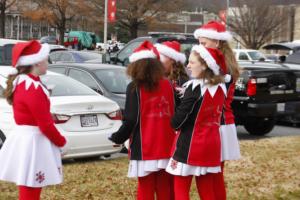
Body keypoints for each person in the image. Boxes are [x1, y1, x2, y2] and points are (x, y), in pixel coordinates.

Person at [109, 41, 176, 200]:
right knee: (165, 188)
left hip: (145, 146)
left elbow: (131, 119)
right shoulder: (167, 85)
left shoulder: (134, 87)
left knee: (145, 188)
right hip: (167, 144)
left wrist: (117, 138)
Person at [0, 40, 67, 200]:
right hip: (33, 142)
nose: (47, 63)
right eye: (45, 59)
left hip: (27, 139)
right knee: (31, 189)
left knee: (30, 187)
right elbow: (45, 125)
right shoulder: (32, 87)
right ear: (36, 62)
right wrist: (62, 142)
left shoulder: (24, 83)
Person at [166, 44, 229, 200]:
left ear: (205, 64)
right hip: (211, 145)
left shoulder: (195, 88)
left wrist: (177, 105)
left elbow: (177, 121)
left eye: (192, 62)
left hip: (189, 146)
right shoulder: (221, 87)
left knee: (180, 188)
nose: (188, 66)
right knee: (207, 190)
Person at [194, 20, 241, 199]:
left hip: (216, 125)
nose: (200, 47)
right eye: (199, 43)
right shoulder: (225, 64)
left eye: (204, 43)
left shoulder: (218, 68)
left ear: (218, 42)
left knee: (206, 175)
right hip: (222, 123)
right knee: (215, 175)